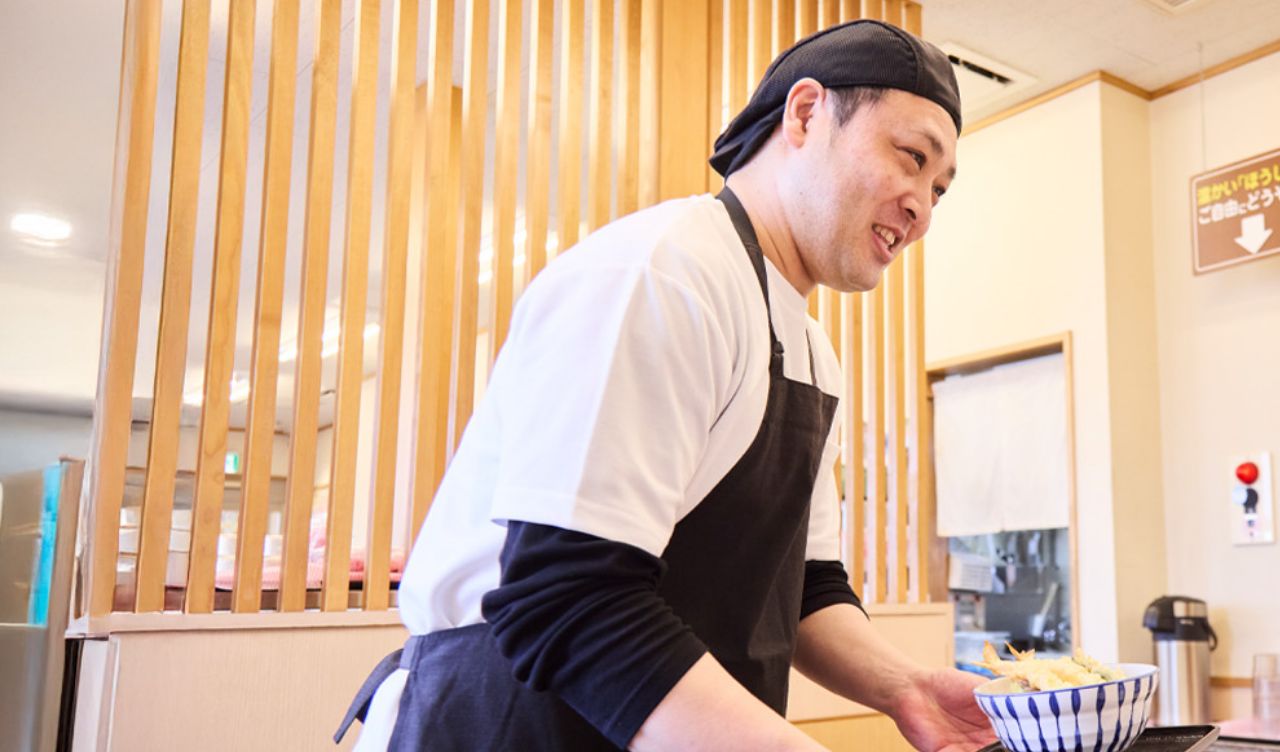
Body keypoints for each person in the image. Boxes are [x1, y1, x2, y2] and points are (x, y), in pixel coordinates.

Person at [333, 19, 991, 752]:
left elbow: (804, 588)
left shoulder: (809, 348)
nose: (923, 207)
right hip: (508, 723)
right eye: (911, 157)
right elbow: (568, 599)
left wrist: (906, 688)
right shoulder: (660, 273)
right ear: (805, 114)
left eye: (940, 188)